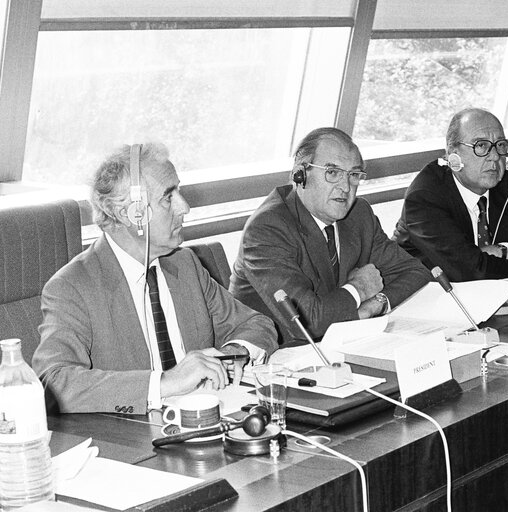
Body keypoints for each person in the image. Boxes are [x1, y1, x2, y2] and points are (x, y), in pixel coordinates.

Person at [33, 143, 278, 414]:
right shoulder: (72, 287)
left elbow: (256, 324)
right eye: (168, 197)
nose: (185, 207)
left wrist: (232, 354)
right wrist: (164, 383)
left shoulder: (184, 264)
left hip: (205, 419)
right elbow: (52, 383)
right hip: (134, 439)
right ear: (133, 214)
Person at [229, 127, 431, 342]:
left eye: (353, 175)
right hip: (281, 356)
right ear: (301, 174)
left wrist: (375, 304)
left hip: (343, 345)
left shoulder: (358, 214)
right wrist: (358, 289)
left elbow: (417, 273)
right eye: (332, 173)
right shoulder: (268, 229)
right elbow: (306, 322)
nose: (345, 187)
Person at [393, 108, 508, 281]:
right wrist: (499, 261)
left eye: (500, 145)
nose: (494, 157)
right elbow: (471, 271)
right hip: (427, 298)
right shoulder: (425, 196)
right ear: (453, 155)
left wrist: (503, 251)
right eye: (481, 146)